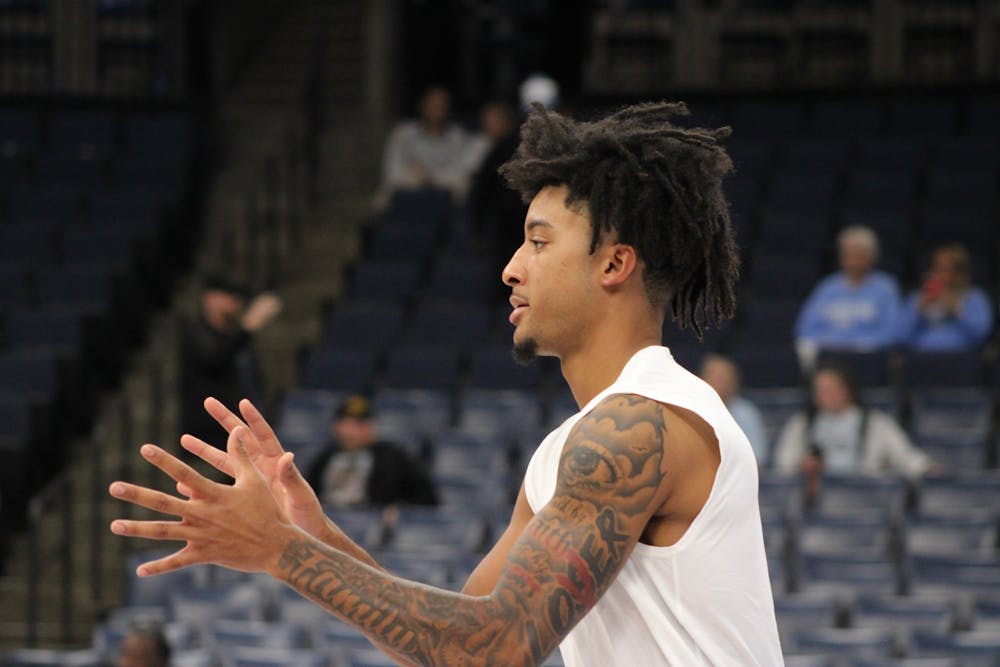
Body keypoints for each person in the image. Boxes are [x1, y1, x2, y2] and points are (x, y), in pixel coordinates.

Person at [109, 102, 782, 666]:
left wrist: (282, 552)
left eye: (539, 242)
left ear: (614, 263)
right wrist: (314, 541)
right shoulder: (571, 447)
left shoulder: (642, 425)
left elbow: (496, 647)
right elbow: (452, 644)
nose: (511, 269)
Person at [773, 365, 936, 501]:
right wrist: (802, 465)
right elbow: (783, 462)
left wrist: (925, 467)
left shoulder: (876, 423)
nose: (823, 395)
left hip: (865, 495)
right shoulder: (802, 423)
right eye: (819, 390)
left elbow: (905, 455)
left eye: (830, 389)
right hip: (819, 496)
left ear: (847, 390)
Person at [178, 273, 282, 444]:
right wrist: (248, 326)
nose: (236, 303)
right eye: (230, 296)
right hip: (209, 434)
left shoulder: (238, 339)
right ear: (210, 298)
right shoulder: (196, 333)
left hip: (241, 433)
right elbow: (214, 360)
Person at [794, 225, 902, 370]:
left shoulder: (885, 287)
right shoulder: (828, 286)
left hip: (868, 356)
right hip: (828, 357)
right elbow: (806, 329)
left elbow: (891, 331)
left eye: (858, 255)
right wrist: (830, 345)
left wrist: (858, 346)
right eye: (847, 255)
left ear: (870, 256)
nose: (852, 261)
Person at [304, 395, 438, 509]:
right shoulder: (325, 457)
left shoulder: (392, 457)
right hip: (328, 521)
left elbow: (426, 496)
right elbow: (305, 491)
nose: (352, 431)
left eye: (360, 425)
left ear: (371, 427)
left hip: (370, 522)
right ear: (336, 427)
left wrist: (400, 510)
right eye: (347, 424)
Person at [377, 86, 478, 205]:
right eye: (433, 107)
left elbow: (461, 174)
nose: (437, 111)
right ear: (423, 107)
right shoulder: (403, 133)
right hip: (406, 196)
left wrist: (430, 177)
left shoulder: (457, 136)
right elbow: (392, 172)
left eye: (442, 107)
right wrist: (416, 178)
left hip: (443, 198)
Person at [896, 243, 994, 351]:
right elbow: (900, 336)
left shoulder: (975, 297)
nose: (938, 274)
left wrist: (956, 310)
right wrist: (918, 311)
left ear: (959, 273)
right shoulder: (917, 297)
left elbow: (982, 334)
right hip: (921, 358)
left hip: (960, 358)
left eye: (945, 269)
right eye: (935, 268)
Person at [699, 354, 769, 465]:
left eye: (724, 378)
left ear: (734, 382)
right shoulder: (693, 411)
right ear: (702, 380)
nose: (720, 383)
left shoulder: (747, 413)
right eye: (716, 377)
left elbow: (757, 459)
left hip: (738, 476)